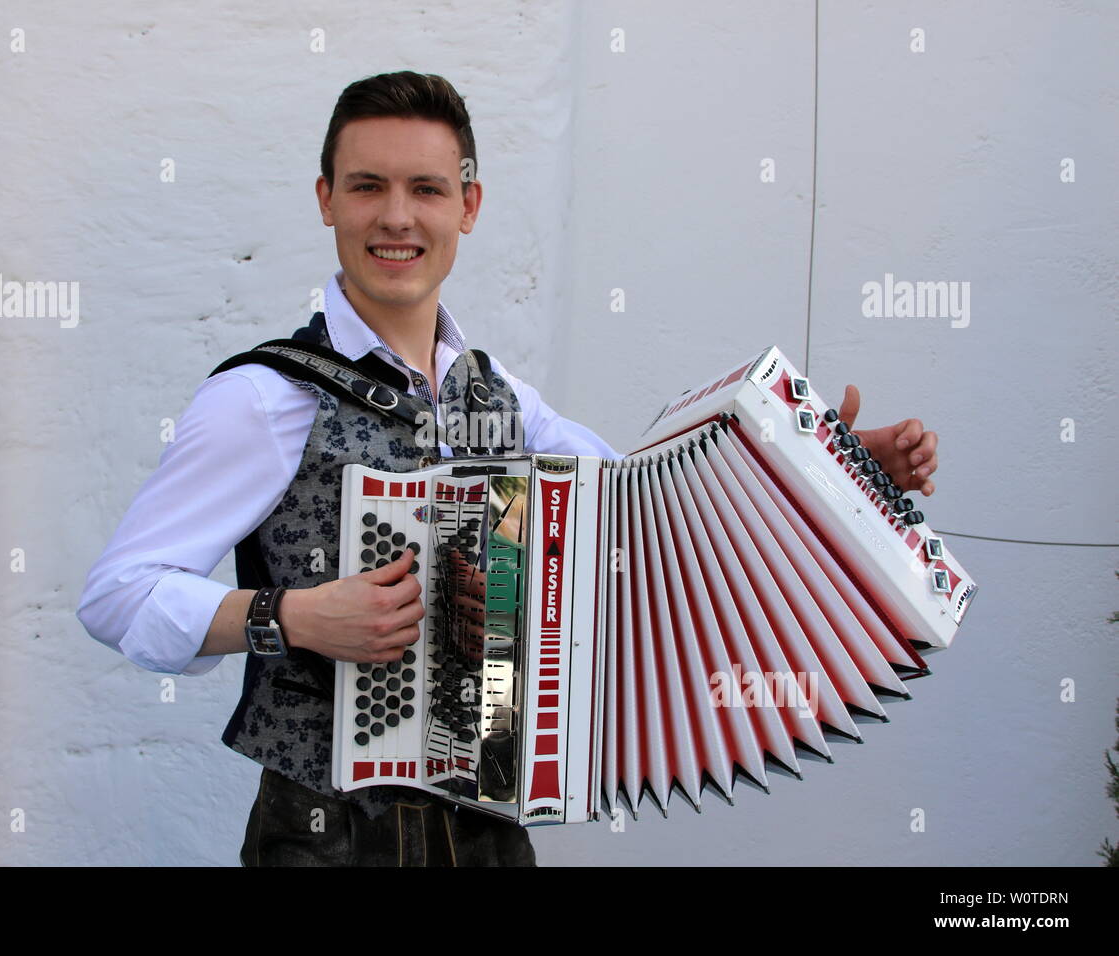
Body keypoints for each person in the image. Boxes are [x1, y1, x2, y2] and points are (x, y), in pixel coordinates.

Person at [75, 71, 939, 867]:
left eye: (427, 189)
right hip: (329, 839)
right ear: (326, 200)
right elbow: (118, 594)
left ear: (469, 205)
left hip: (492, 831)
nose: (397, 217)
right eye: (368, 186)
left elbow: (647, 513)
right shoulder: (263, 399)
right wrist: (292, 615)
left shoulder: (507, 401)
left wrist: (841, 478)